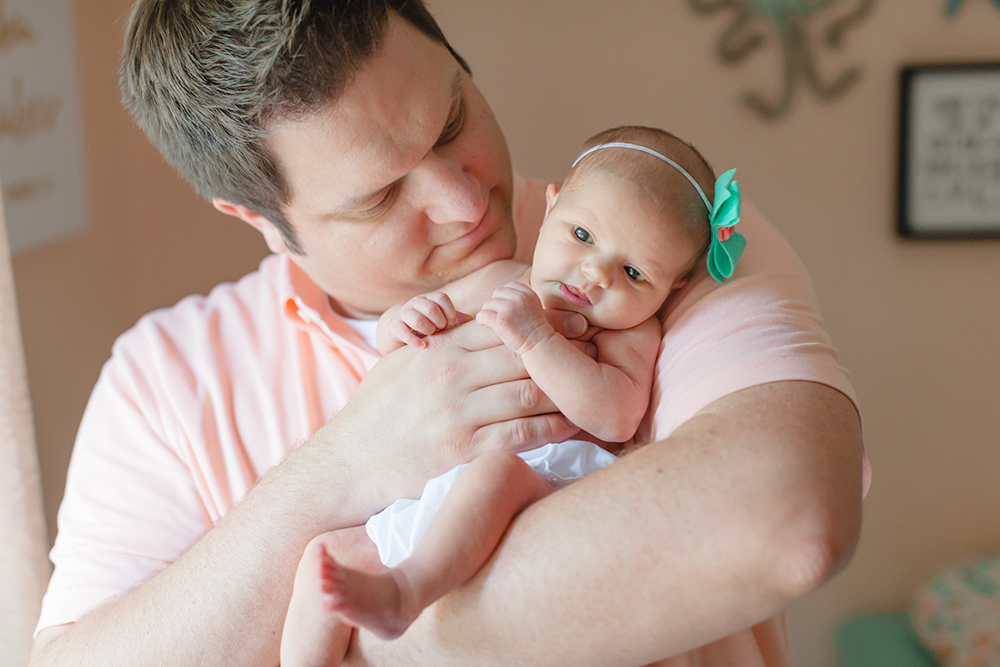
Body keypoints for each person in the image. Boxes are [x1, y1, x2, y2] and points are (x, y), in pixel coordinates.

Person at [29, 2, 868, 667]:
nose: (466, 204)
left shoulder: (654, 242)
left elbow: (781, 519)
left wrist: (378, 626)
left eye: (454, 120)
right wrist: (343, 464)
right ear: (257, 218)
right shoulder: (166, 377)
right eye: (379, 197)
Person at [280, 126, 747, 665]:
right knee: (324, 556)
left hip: (542, 490)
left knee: (495, 474)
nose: (595, 274)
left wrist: (536, 338)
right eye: (582, 235)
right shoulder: (499, 279)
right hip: (437, 495)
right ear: (551, 207)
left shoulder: (629, 335)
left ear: (674, 290)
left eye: (634, 272)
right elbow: (393, 348)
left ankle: (405, 593)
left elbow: (616, 416)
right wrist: (405, 321)